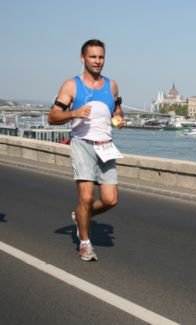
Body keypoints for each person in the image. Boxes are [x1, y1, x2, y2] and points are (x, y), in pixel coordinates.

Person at [48, 39, 125, 262]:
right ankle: (85, 243)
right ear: (83, 58)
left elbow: (117, 110)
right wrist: (74, 113)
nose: (97, 61)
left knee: (111, 200)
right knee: (87, 196)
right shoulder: (71, 86)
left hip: (106, 145)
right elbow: (53, 117)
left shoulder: (112, 85)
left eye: (101, 57)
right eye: (92, 57)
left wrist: (119, 119)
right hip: (82, 144)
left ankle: (81, 214)